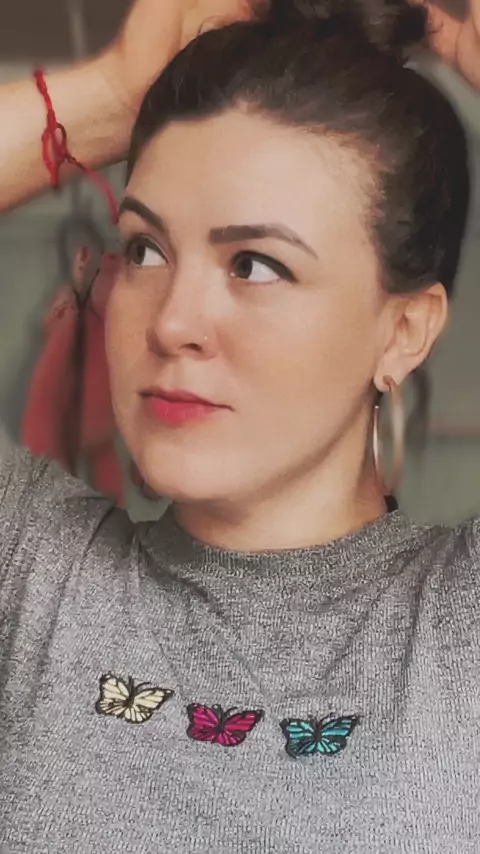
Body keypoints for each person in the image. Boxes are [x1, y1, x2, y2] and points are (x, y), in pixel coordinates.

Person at [0, 0, 480, 851]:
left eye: (256, 264)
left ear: (403, 330)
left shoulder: (457, 631)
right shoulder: (33, 576)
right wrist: (104, 99)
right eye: (146, 250)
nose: (172, 322)